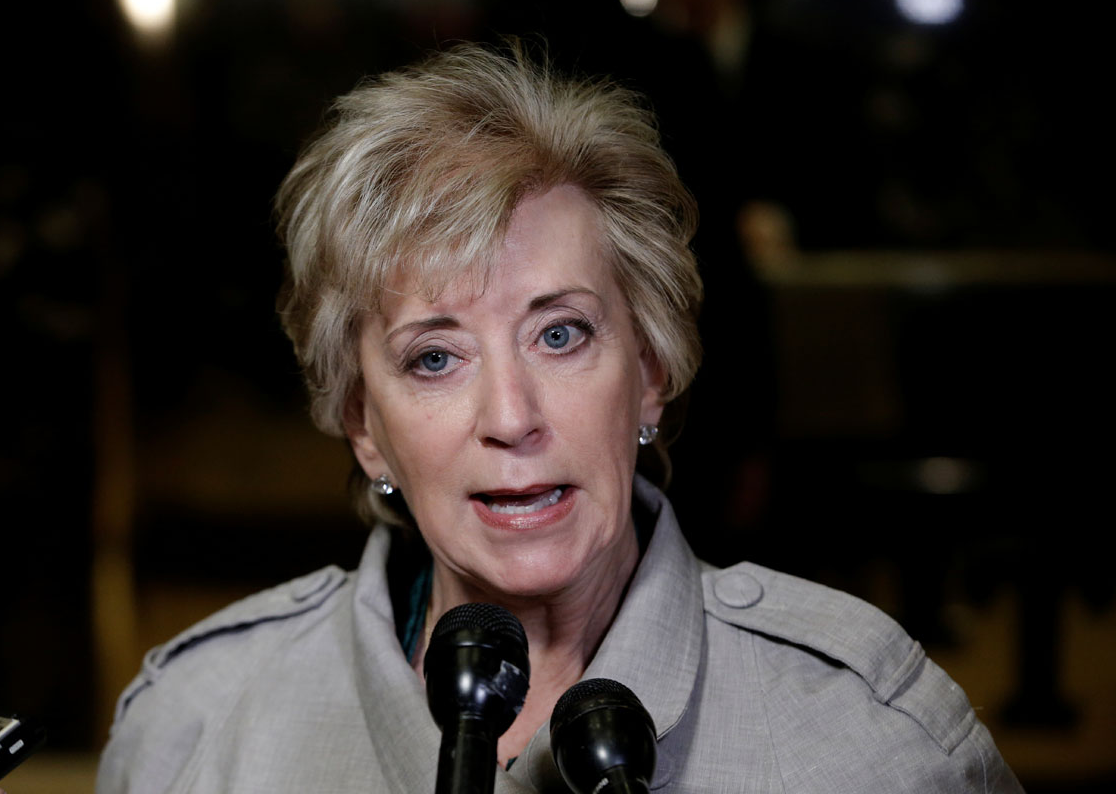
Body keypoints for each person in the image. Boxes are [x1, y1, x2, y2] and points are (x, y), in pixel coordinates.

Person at [94, 41, 1024, 793]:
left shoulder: (869, 735)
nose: (511, 415)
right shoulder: (197, 722)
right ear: (365, 425)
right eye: (434, 357)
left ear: (652, 372)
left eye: (562, 334)